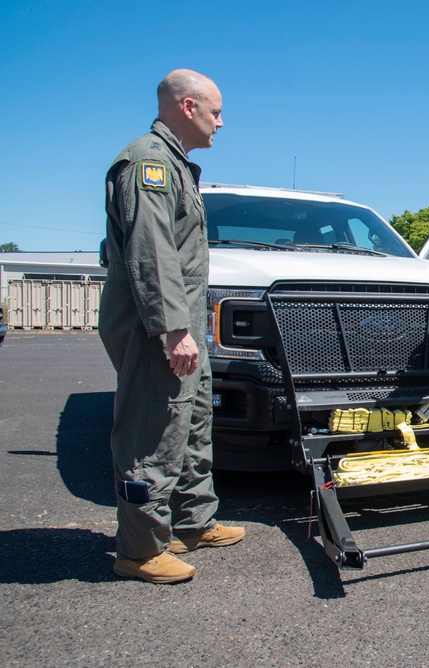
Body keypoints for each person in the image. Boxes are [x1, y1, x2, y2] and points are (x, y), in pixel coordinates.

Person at [99, 69, 244, 583]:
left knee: (193, 419)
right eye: (216, 111)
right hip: (153, 325)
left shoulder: (178, 166)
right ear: (188, 107)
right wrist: (173, 330)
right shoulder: (149, 163)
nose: (221, 123)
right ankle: (139, 549)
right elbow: (151, 255)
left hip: (180, 321)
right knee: (150, 430)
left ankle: (192, 520)